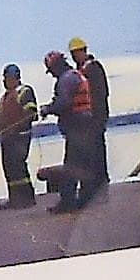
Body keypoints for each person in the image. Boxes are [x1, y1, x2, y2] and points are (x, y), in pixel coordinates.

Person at [45, 47, 97, 212]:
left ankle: (67, 202)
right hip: (85, 124)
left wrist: (47, 109)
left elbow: (63, 103)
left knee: (71, 165)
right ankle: (86, 199)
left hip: (76, 125)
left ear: (56, 66)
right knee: (84, 163)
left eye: (51, 71)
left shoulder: (65, 80)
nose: (52, 75)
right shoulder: (75, 75)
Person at [66, 36, 112, 197]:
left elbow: (101, 93)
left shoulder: (93, 68)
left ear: (84, 51)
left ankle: (101, 180)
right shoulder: (79, 71)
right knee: (91, 151)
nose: (75, 56)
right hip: (85, 118)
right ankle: (95, 181)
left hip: (95, 116)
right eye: (72, 53)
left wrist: (98, 116)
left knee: (97, 148)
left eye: (77, 52)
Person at [0, 64, 41, 207]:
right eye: (4, 79)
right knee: (9, 168)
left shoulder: (25, 92)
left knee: (18, 166)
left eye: (7, 78)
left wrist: (18, 125)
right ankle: (14, 198)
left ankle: (27, 198)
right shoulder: (4, 98)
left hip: (20, 136)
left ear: (15, 78)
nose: (5, 81)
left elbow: (31, 112)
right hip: (6, 138)